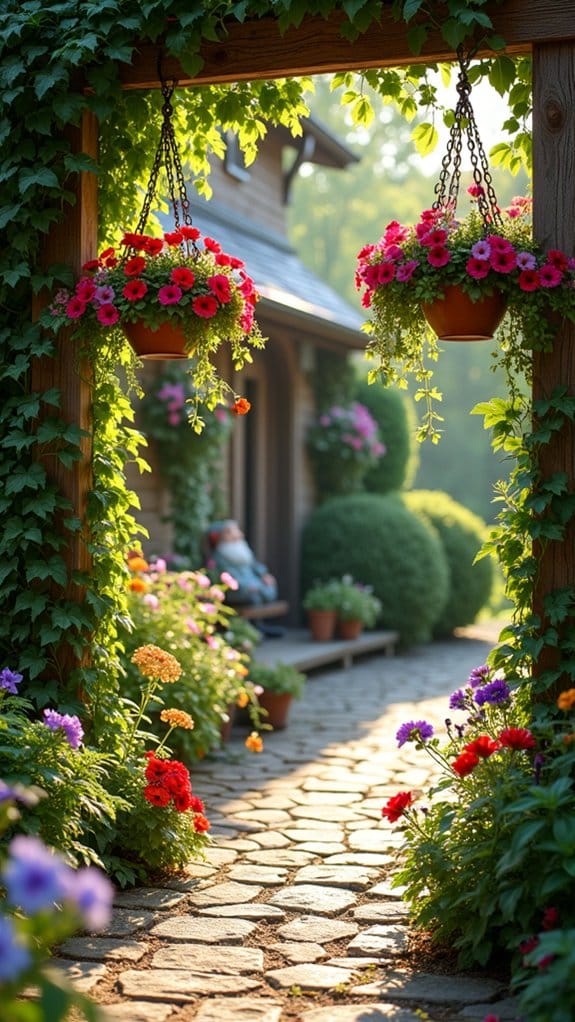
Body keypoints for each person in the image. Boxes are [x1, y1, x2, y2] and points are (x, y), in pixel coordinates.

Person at [207, 520, 278, 607]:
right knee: (252, 596)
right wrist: (244, 586)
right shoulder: (219, 556)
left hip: (254, 582)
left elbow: (254, 565)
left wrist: (264, 575)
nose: (236, 535)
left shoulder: (242, 549)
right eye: (230, 532)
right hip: (241, 588)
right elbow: (228, 575)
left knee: (269, 589)